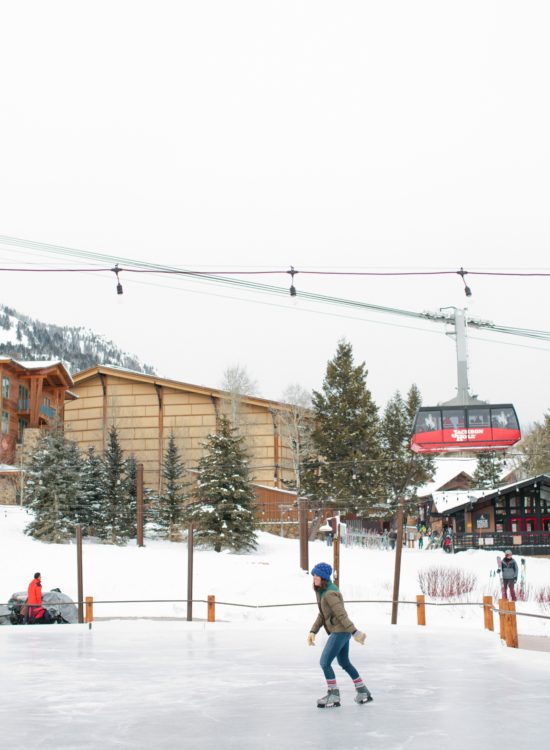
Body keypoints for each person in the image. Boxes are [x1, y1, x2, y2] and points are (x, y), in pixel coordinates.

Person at [307, 562, 372, 708]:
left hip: (340, 631)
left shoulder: (330, 593)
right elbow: (322, 614)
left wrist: (354, 632)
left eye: (316, 575)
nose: (313, 577)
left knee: (324, 662)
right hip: (341, 631)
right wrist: (313, 631)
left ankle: (333, 695)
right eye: (313, 575)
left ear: (323, 577)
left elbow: (341, 614)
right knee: (344, 662)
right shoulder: (322, 591)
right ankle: (363, 691)